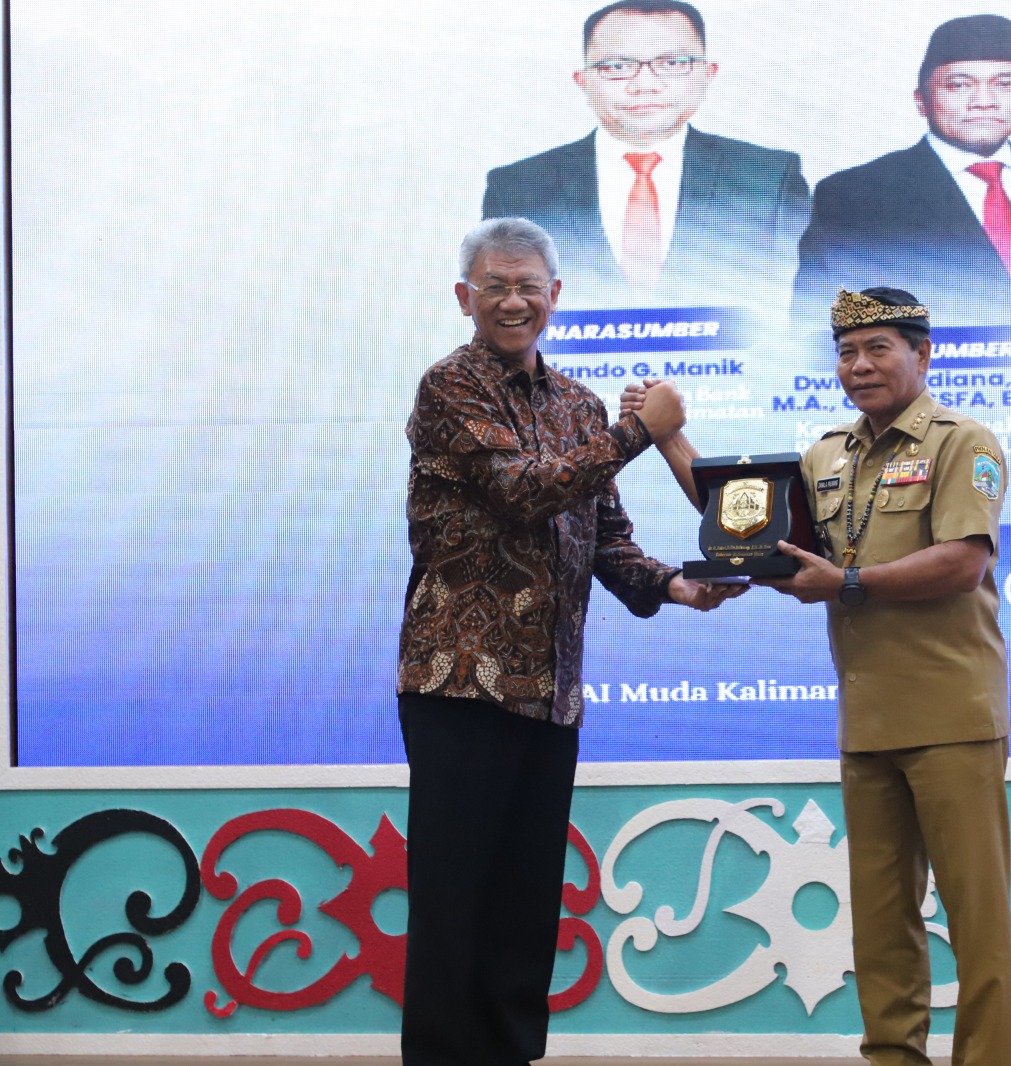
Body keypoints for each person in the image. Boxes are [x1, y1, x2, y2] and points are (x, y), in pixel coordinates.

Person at [627, 287, 1011, 1066]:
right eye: (847, 352)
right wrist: (671, 441)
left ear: (922, 354)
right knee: (878, 923)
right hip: (867, 720)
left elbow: (962, 561)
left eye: (879, 348)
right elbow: (750, 528)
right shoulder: (827, 454)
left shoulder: (961, 442)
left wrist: (846, 584)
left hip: (954, 718)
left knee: (978, 924)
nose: (860, 365)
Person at [396, 216, 740, 1066]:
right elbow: (523, 492)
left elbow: (605, 535)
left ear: (556, 297)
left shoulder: (578, 403)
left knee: (523, 908)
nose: (514, 301)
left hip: (550, 693)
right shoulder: (451, 386)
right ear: (464, 298)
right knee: (454, 904)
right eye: (495, 286)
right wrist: (641, 433)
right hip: (459, 686)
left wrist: (672, 585)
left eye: (529, 287)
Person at [482, 0, 809, 312]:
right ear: (584, 81)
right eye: (617, 66)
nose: (645, 84)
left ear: (707, 75)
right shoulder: (517, 187)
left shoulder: (769, 178)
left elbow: (800, 309)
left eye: (673, 64)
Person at [791, 14, 1011, 333]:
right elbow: (814, 328)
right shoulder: (855, 193)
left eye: (1005, 84)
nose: (984, 102)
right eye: (959, 85)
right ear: (921, 101)